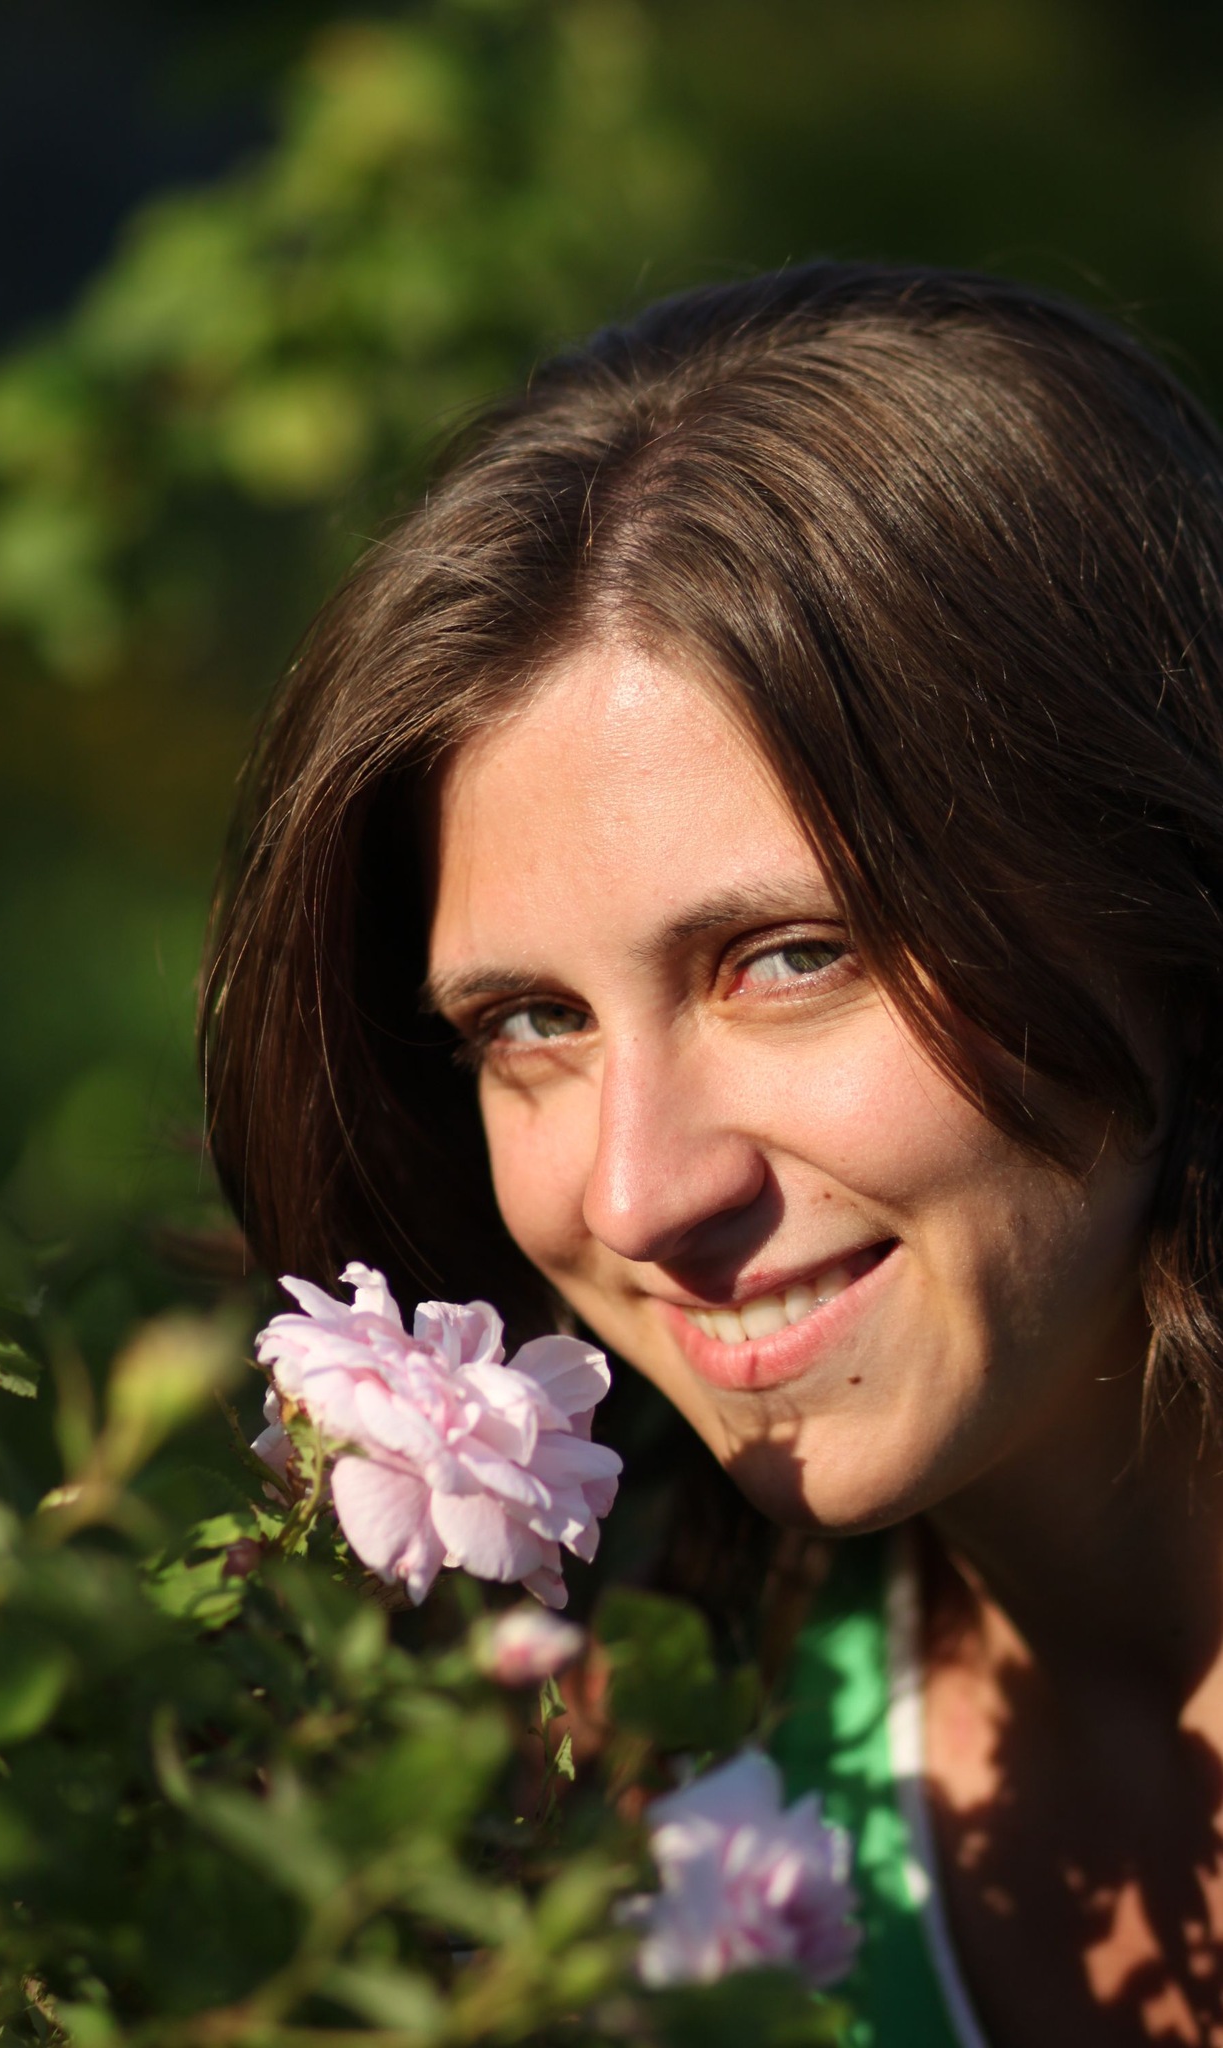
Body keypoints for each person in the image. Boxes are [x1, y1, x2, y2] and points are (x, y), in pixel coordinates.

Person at [201, 264, 1223, 2045]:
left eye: (789, 959)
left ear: (1161, 896)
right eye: (531, 1020)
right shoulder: (588, 1820)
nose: (635, 1195)